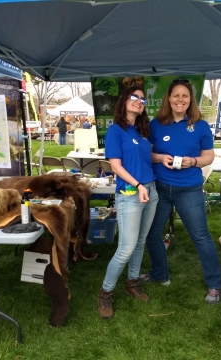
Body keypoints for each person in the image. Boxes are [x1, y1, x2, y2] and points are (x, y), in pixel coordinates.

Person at [140, 79, 221, 305]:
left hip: (189, 189)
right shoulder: (155, 124)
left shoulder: (200, 125)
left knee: (201, 236)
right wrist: (160, 157)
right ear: (168, 98)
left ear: (191, 100)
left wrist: (194, 161)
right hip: (159, 187)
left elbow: (209, 156)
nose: (180, 99)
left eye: (185, 96)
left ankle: (216, 285)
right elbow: (146, 154)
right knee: (152, 234)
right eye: (176, 95)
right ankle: (160, 273)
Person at [97, 86, 158, 319]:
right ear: (124, 101)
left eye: (142, 99)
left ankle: (132, 282)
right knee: (125, 248)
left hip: (151, 191)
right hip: (132, 193)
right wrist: (139, 185)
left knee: (140, 242)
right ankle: (105, 291)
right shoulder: (115, 131)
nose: (139, 101)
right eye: (134, 97)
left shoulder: (143, 131)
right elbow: (116, 166)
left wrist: (159, 161)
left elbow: (147, 158)